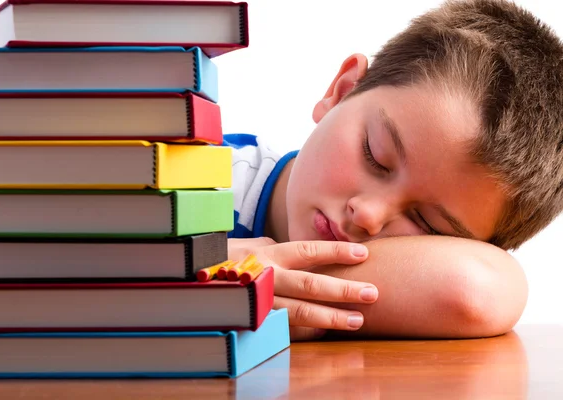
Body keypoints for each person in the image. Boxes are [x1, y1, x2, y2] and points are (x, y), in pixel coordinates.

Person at [224, 0, 563, 341]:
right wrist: (190, 271)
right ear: (341, 91)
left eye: (427, 224)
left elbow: (477, 292)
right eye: (375, 156)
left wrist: (279, 285)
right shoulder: (199, 183)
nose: (368, 215)